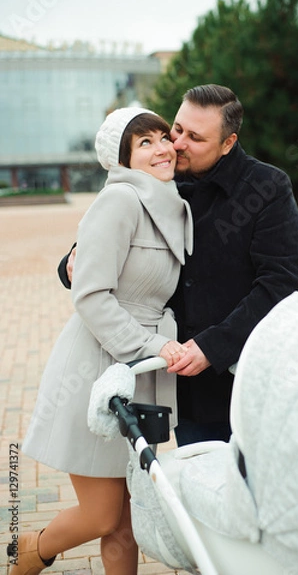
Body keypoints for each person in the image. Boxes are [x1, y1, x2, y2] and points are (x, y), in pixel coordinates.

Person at [60, 84, 298, 447]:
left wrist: (213, 347)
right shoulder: (162, 177)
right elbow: (109, 231)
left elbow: (280, 284)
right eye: (177, 129)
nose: (175, 144)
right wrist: (73, 259)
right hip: (182, 387)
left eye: (194, 137)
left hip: (245, 378)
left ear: (228, 143)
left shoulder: (267, 187)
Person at [15, 106, 193, 575]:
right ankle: (30, 551)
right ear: (121, 159)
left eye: (162, 137)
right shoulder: (119, 202)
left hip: (136, 374)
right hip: (96, 367)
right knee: (100, 514)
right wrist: (153, 347)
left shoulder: (169, 202)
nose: (161, 149)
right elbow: (91, 296)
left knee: (125, 520)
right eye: (145, 143)